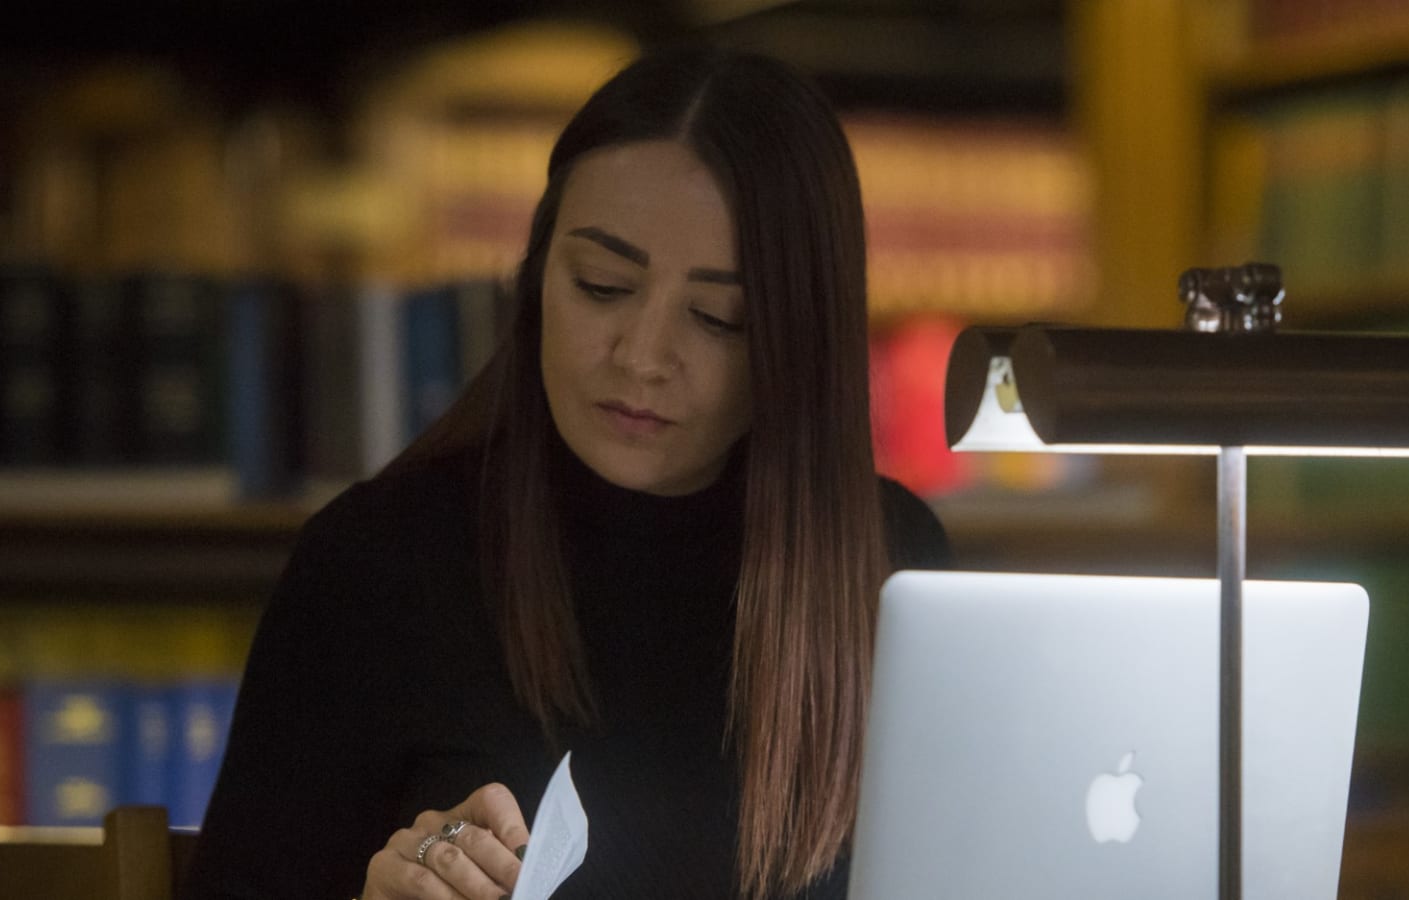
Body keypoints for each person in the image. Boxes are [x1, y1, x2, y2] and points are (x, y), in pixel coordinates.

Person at [182, 47, 952, 900]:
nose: (642, 357)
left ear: (798, 342)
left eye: (717, 317)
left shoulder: (895, 573)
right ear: (537, 276)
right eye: (602, 285)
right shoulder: (377, 567)